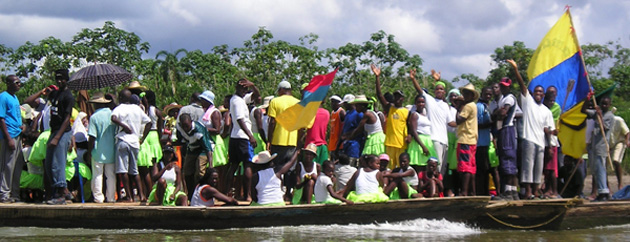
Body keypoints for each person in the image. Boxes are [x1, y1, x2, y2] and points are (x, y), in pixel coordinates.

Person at [509, 59, 556, 200]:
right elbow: (522, 85)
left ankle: (536, 192)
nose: (538, 93)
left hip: (541, 142)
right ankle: (528, 192)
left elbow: (547, 129)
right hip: (529, 139)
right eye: (536, 91)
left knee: (538, 168)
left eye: (541, 92)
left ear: (543, 95)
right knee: (527, 167)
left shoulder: (546, 111)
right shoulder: (528, 102)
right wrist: (516, 69)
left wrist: (550, 142)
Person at [409, 69, 456, 175]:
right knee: (436, 167)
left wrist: (463, 123)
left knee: (443, 168)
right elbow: (420, 90)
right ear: (434, 91)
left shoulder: (445, 105)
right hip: (435, 139)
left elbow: (450, 123)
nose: (439, 91)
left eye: (441, 89)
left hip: (445, 141)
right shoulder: (430, 100)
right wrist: (413, 79)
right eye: (437, 89)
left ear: (444, 92)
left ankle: (440, 190)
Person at [111, 89, 151, 202]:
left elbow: (113, 118)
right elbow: (149, 122)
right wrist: (142, 138)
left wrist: (124, 125)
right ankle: (142, 195)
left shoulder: (119, 108)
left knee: (123, 170)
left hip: (123, 140)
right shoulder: (137, 109)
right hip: (135, 142)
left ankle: (129, 196)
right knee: (134, 170)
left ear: (122, 98)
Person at [44, 69, 75, 205]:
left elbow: (67, 118)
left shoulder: (68, 96)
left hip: (62, 131)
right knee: (49, 163)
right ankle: (64, 191)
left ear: (67, 80)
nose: (59, 81)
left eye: (62, 79)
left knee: (58, 163)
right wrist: (42, 92)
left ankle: (61, 194)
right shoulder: (55, 94)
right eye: (57, 79)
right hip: (54, 130)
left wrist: (57, 137)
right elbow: (29, 101)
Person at [227, 79, 260, 201]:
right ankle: (247, 195)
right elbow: (240, 120)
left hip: (235, 137)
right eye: (243, 89)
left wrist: (253, 85)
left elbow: (258, 98)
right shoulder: (237, 102)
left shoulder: (240, 99)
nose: (245, 91)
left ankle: (228, 193)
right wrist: (250, 136)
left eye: (246, 89)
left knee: (234, 165)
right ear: (237, 88)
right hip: (243, 137)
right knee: (247, 164)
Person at [372, 64, 409, 169]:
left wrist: (409, 136)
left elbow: (410, 126)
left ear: (403, 99)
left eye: (399, 97)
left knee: (401, 168)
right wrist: (377, 77)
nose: (397, 98)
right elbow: (379, 95)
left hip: (401, 145)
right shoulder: (390, 108)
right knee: (390, 168)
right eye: (396, 96)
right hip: (389, 144)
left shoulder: (407, 111)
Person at [492, 77, 520, 201]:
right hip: (503, 130)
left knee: (508, 160)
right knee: (506, 159)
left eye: (505, 86)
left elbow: (503, 113)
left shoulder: (509, 98)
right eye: (501, 86)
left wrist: (496, 112)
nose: (503, 88)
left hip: (507, 129)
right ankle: (512, 191)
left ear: (509, 87)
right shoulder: (502, 99)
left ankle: (509, 191)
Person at [86, 93, 117, 203]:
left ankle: (98, 198)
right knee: (111, 175)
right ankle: (111, 198)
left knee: (97, 175)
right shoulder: (112, 114)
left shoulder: (94, 117)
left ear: (95, 105)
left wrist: (89, 152)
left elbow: (92, 137)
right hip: (112, 150)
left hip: (98, 151)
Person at [582, 95, 614, 201]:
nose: (603, 106)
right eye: (602, 104)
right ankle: (601, 191)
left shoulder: (609, 116)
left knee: (601, 169)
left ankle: (603, 192)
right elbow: (583, 110)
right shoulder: (595, 113)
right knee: (595, 170)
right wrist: (587, 99)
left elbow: (604, 128)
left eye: (606, 104)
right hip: (593, 146)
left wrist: (600, 116)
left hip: (602, 146)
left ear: (609, 105)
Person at [176, 113, 214, 199]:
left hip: (203, 149)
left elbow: (207, 148)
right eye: (183, 126)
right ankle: (190, 193)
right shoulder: (180, 128)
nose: (186, 129)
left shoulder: (199, 130)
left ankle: (201, 192)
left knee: (200, 171)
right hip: (192, 148)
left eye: (187, 126)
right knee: (187, 170)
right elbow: (180, 140)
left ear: (191, 122)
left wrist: (210, 165)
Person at [0, 75, 24, 203]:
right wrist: (8, 138)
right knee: (7, 165)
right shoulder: (3, 97)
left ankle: (15, 193)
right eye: (16, 82)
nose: (19, 84)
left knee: (17, 165)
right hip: (9, 135)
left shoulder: (15, 98)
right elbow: (1, 118)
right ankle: (4, 193)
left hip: (18, 133)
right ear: (9, 83)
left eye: (20, 82)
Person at [137, 90, 163, 199]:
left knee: (145, 167)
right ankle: (154, 192)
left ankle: (149, 192)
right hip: (154, 135)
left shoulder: (141, 110)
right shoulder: (157, 111)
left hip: (145, 136)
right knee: (154, 165)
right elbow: (160, 128)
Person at [454, 83, 479, 197]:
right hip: (471, 139)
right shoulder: (472, 105)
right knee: (471, 167)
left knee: (465, 167)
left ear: (471, 95)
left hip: (465, 139)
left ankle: (464, 191)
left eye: (467, 93)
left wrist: (458, 106)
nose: (465, 95)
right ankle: (472, 191)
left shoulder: (468, 106)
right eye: (464, 93)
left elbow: (459, 120)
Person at [407, 94, 437, 170]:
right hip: (419, 142)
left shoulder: (425, 115)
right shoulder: (414, 114)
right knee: (419, 166)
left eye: (423, 102)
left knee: (427, 166)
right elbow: (414, 131)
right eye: (419, 102)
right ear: (415, 103)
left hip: (427, 140)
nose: (421, 104)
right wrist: (423, 146)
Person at [476, 87, 493, 195]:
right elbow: (476, 125)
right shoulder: (479, 107)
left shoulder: (488, 106)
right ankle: (480, 192)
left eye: (490, 94)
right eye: (486, 94)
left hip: (487, 142)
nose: (488, 96)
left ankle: (486, 192)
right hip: (479, 143)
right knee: (481, 170)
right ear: (481, 94)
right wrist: (492, 122)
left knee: (487, 169)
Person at [543, 91, 560, 198]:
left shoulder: (548, 112)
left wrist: (549, 147)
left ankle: (554, 191)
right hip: (546, 143)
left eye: (553, 101)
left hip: (551, 144)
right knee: (547, 170)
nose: (551, 103)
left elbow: (548, 130)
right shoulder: (544, 111)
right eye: (550, 101)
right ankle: (548, 189)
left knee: (552, 169)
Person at [338, 94, 363, 166]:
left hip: (354, 146)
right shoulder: (348, 113)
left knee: (351, 166)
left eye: (345, 104)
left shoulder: (359, 114)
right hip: (346, 145)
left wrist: (348, 135)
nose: (344, 106)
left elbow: (360, 129)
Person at [609, 107, 629, 190]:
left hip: (619, 142)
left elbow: (627, 132)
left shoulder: (618, 120)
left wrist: (627, 141)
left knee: (616, 160)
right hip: (610, 144)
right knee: (604, 164)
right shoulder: (603, 121)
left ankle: (620, 184)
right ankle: (607, 187)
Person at [328, 95, 345, 161]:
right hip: (332, 144)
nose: (332, 104)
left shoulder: (341, 112)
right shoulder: (332, 113)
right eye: (331, 102)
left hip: (339, 145)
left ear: (338, 103)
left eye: (333, 102)